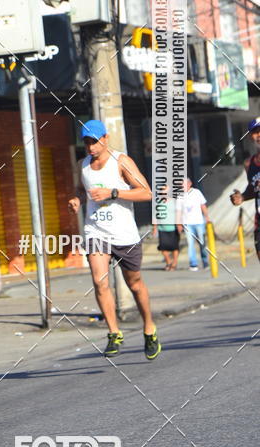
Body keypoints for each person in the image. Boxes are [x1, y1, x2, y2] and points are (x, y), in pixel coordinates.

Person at [68, 119, 161, 360]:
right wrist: (77, 200)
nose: (90, 147)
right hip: (95, 231)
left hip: (123, 233)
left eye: (95, 141)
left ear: (105, 138)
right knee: (100, 282)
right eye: (86, 142)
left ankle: (149, 328)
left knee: (135, 283)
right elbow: (80, 190)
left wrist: (113, 192)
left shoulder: (122, 161)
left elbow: (146, 192)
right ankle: (114, 332)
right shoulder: (83, 165)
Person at [230, 117, 260, 262]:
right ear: (251, 136)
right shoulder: (249, 163)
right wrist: (242, 197)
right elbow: (253, 189)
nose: (259, 135)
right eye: (255, 132)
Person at [182, 178, 210, 270]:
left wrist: (207, 217)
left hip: (198, 222)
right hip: (187, 224)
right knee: (190, 244)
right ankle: (193, 264)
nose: (183, 186)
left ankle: (205, 262)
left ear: (190, 184)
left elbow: (203, 205)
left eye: (184, 184)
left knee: (202, 243)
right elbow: (178, 210)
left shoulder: (197, 192)